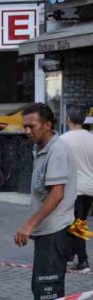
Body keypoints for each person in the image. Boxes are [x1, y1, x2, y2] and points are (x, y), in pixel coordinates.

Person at [14, 103, 79, 300]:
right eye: (25, 126)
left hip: (55, 231)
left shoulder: (58, 149)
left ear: (48, 124)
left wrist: (29, 224)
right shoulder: (41, 149)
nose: (27, 130)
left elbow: (57, 193)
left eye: (32, 125)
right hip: (48, 231)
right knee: (47, 288)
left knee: (47, 290)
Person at [62, 105, 93, 274]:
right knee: (78, 221)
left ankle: (83, 261)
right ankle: (70, 255)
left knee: (76, 224)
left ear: (68, 120)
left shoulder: (64, 139)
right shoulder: (91, 138)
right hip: (90, 188)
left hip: (74, 188)